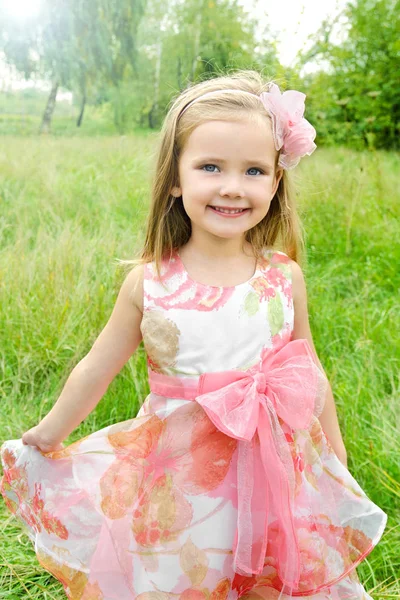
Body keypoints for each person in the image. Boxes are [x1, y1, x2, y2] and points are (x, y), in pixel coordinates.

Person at [1, 70, 387, 600]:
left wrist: (335, 458)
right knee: (186, 575)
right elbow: (97, 366)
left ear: (275, 182)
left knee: (269, 575)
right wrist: (48, 433)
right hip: (179, 482)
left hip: (271, 475)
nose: (232, 186)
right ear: (176, 177)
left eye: (253, 170)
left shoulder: (282, 278)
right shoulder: (151, 284)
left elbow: (307, 373)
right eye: (211, 167)